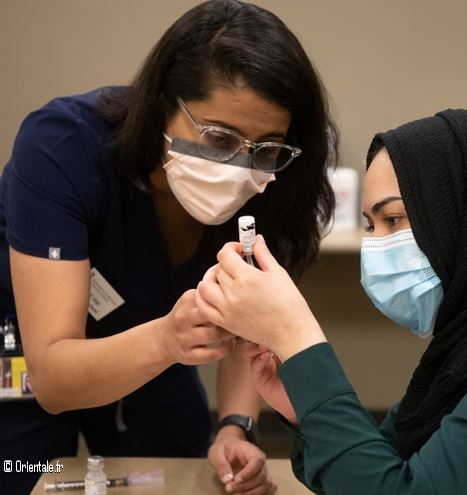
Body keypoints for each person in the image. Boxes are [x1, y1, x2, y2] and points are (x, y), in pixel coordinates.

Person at [0, 1, 337, 493]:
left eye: (265, 146)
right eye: (220, 138)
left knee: (184, 480)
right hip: (26, 356)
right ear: (162, 104)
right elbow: (52, 380)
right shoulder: (63, 147)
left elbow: (252, 328)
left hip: (158, 348)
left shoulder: (274, 177)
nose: (241, 167)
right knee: (21, 476)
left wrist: (234, 426)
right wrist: (164, 341)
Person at [195, 109, 467, 494]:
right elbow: (381, 465)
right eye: (370, 225)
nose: (377, 245)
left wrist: (297, 337)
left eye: (395, 220)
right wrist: (303, 409)